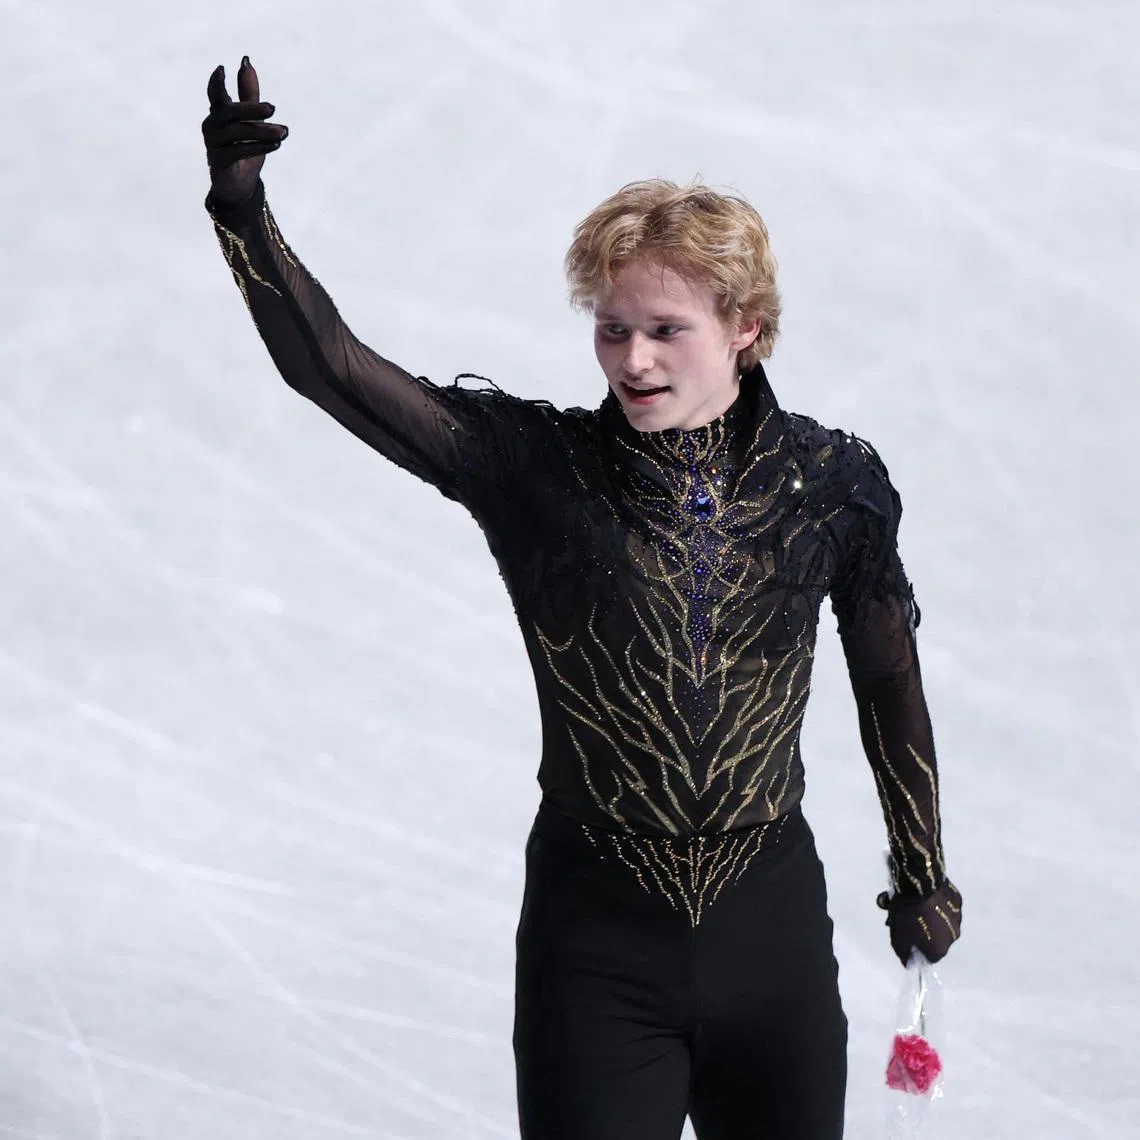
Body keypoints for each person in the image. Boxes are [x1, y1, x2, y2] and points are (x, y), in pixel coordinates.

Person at [201, 57, 962, 1140]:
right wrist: (243, 211)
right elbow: (328, 367)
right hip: (596, 950)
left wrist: (921, 870)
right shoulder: (537, 467)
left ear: (746, 325)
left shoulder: (831, 484)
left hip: (774, 942)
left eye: (665, 330)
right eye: (612, 328)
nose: (632, 359)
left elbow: (888, 680)